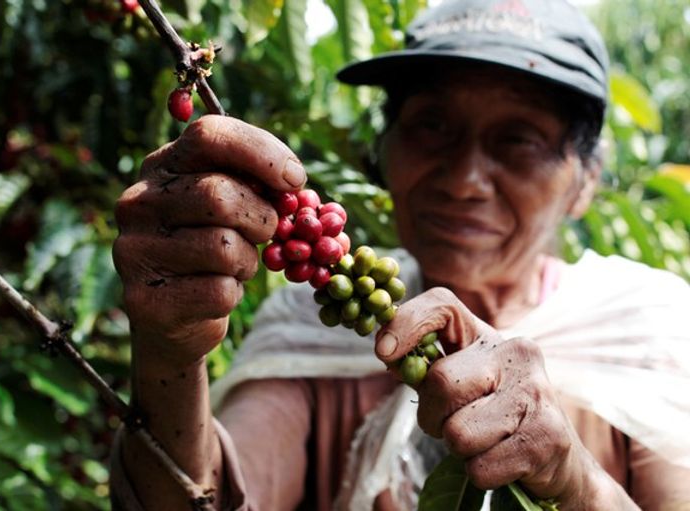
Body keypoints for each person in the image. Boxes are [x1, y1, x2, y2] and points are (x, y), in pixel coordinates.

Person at [109, 0, 690, 509]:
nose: (464, 181)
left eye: (519, 139)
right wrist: (169, 353)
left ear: (586, 178)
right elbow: (201, 497)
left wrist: (580, 484)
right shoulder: (311, 326)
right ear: (383, 148)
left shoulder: (650, 332)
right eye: (432, 126)